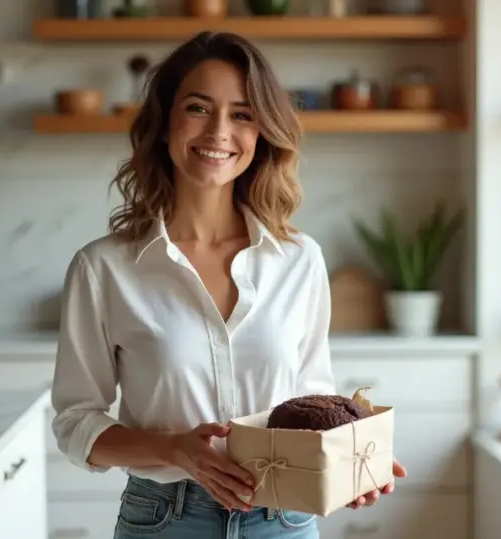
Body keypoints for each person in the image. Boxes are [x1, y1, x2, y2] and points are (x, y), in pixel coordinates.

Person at [49, 31, 407, 538]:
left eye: (241, 114)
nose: (219, 131)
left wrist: (347, 462)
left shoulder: (299, 260)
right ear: (165, 122)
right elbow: (76, 422)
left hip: (284, 518)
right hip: (164, 521)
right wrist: (175, 450)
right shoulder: (103, 268)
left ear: (262, 132)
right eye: (198, 107)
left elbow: (311, 399)